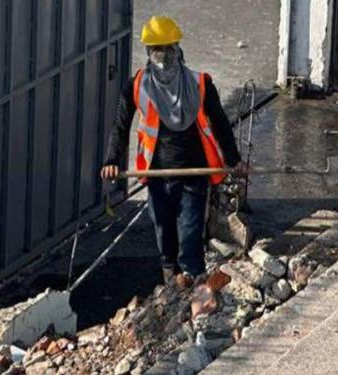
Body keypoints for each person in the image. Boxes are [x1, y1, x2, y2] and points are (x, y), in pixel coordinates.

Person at [101, 15, 245, 286]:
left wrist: (233, 159)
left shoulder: (200, 83)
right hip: (158, 172)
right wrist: (112, 160)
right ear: (148, 52)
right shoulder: (136, 86)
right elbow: (120, 126)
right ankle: (170, 276)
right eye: (157, 49)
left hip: (195, 169)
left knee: (190, 229)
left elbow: (221, 124)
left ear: (177, 48)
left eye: (168, 48)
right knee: (162, 227)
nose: (163, 55)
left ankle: (193, 279)